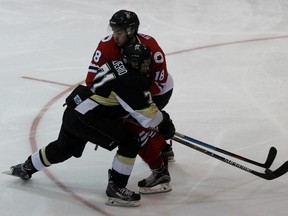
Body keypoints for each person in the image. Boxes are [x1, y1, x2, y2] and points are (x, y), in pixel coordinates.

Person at [6, 43, 174, 207]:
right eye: (145, 63)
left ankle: (27, 167)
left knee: (63, 148)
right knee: (130, 142)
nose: (148, 67)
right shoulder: (132, 80)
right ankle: (116, 187)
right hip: (89, 119)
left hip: (75, 110)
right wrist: (165, 122)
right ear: (134, 62)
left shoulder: (113, 63)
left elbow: (114, 94)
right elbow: (150, 118)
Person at [85, 9, 175, 162]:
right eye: (113, 31)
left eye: (119, 32)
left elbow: (159, 82)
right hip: (124, 94)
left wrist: (134, 101)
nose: (115, 36)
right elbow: (91, 81)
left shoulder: (151, 46)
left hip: (157, 92)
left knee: (137, 125)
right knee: (133, 125)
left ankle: (162, 141)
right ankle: (163, 147)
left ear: (131, 30)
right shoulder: (106, 46)